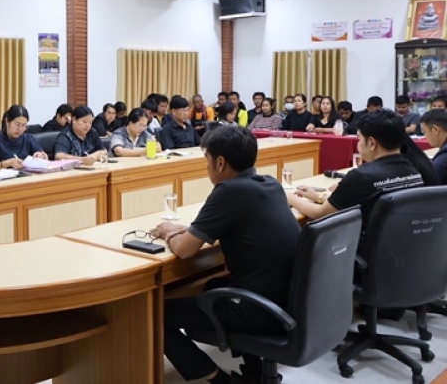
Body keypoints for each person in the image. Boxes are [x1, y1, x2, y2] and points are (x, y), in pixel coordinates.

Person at [151, 127, 300, 384]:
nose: (206, 167)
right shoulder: (271, 184)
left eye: (206, 160)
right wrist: (191, 230)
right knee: (213, 285)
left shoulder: (228, 191)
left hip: (259, 310)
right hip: (287, 302)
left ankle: (220, 380)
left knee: (155, 315)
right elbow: (242, 225)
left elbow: (185, 250)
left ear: (220, 162)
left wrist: (168, 232)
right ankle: (253, 369)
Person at [288, 110, 424, 251]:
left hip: (361, 253)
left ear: (372, 143)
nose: (358, 145)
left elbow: (319, 214)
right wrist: (318, 197)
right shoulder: (413, 172)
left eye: (359, 139)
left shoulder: (361, 176)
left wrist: (289, 197)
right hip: (402, 251)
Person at [0, 105, 48, 170]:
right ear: (7, 121)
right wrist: (7, 163)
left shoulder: (27, 138)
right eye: (17, 124)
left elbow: (45, 156)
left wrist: (42, 156)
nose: (20, 129)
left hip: (25, 175)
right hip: (4, 175)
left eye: (24, 125)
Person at [421, 109, 447, 183]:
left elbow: (428, 179)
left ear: (435, 129)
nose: (425, 136)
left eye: (424, 132)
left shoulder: (444, 158)